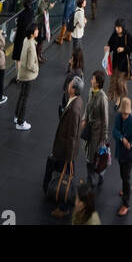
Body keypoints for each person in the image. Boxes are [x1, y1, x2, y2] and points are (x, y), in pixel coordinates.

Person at [45, 77, 84, 216]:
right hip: (67, 149)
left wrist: (69, 156)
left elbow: (72, 134)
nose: (68, 85)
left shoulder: (74, 109)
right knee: (65, 174)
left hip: (66, 151)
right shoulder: (76, 101)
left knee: (66, 176)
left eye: (70, 84)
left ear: (73, 89)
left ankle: (63, 206)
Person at [112, 95, 132, 217]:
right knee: (122, 174)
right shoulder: (119, 117)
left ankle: (126, 204)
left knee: (126, 177)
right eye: (123, 113)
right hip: (120, 151)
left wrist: (131, 143)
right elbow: (115, 131)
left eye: (126, 113)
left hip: (128, 153)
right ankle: (127, 188)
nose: (124, 115)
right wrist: (122, 138)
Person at [83, 70, 110, 188]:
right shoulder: (91, 92)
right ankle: (93, 177)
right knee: (89, 154)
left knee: (93, 157)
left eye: (93, 79)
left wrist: (103, 138)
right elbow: (87, 108)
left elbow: (105, 119)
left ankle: (93, 178)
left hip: (97, 132)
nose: (91, 80)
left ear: (98, 83)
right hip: (90, 128)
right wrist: (84, 119)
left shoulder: (102, 98)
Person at [13, 23, 39, 130]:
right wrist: (36, 68)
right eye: (36, 30)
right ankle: (21, 122)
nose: (38, 31)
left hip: (22, 73)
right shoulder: (32, 46)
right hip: (28, 76)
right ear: (32, 33)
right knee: (25, 99)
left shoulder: (26, 40)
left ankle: (17, 116)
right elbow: (29, 64)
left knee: (22, 95)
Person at [106, 19, 132, 107]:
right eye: (116, 27)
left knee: (120, 82)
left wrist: (123, 49)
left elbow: (131, 48)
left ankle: (123, 98)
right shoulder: (114, 35)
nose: (117, 29)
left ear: (123, 27)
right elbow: (110, 44)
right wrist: (108, 48)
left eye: (119, 27)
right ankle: (117, 99)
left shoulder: (128, 36)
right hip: (115, 62)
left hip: (124, 63)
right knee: (114, 80)